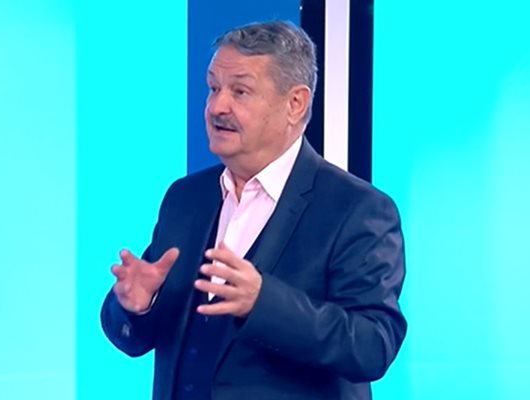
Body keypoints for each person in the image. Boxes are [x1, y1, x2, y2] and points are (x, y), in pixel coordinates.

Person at [100, 20, 406, 400]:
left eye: (240, 91)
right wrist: (137, 305)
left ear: (295, 104)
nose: (217, 107)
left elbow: (372, 345)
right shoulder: (186, 198)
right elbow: (136, 336)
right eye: (213, 88)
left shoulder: (358, 210)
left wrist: (264, 303)